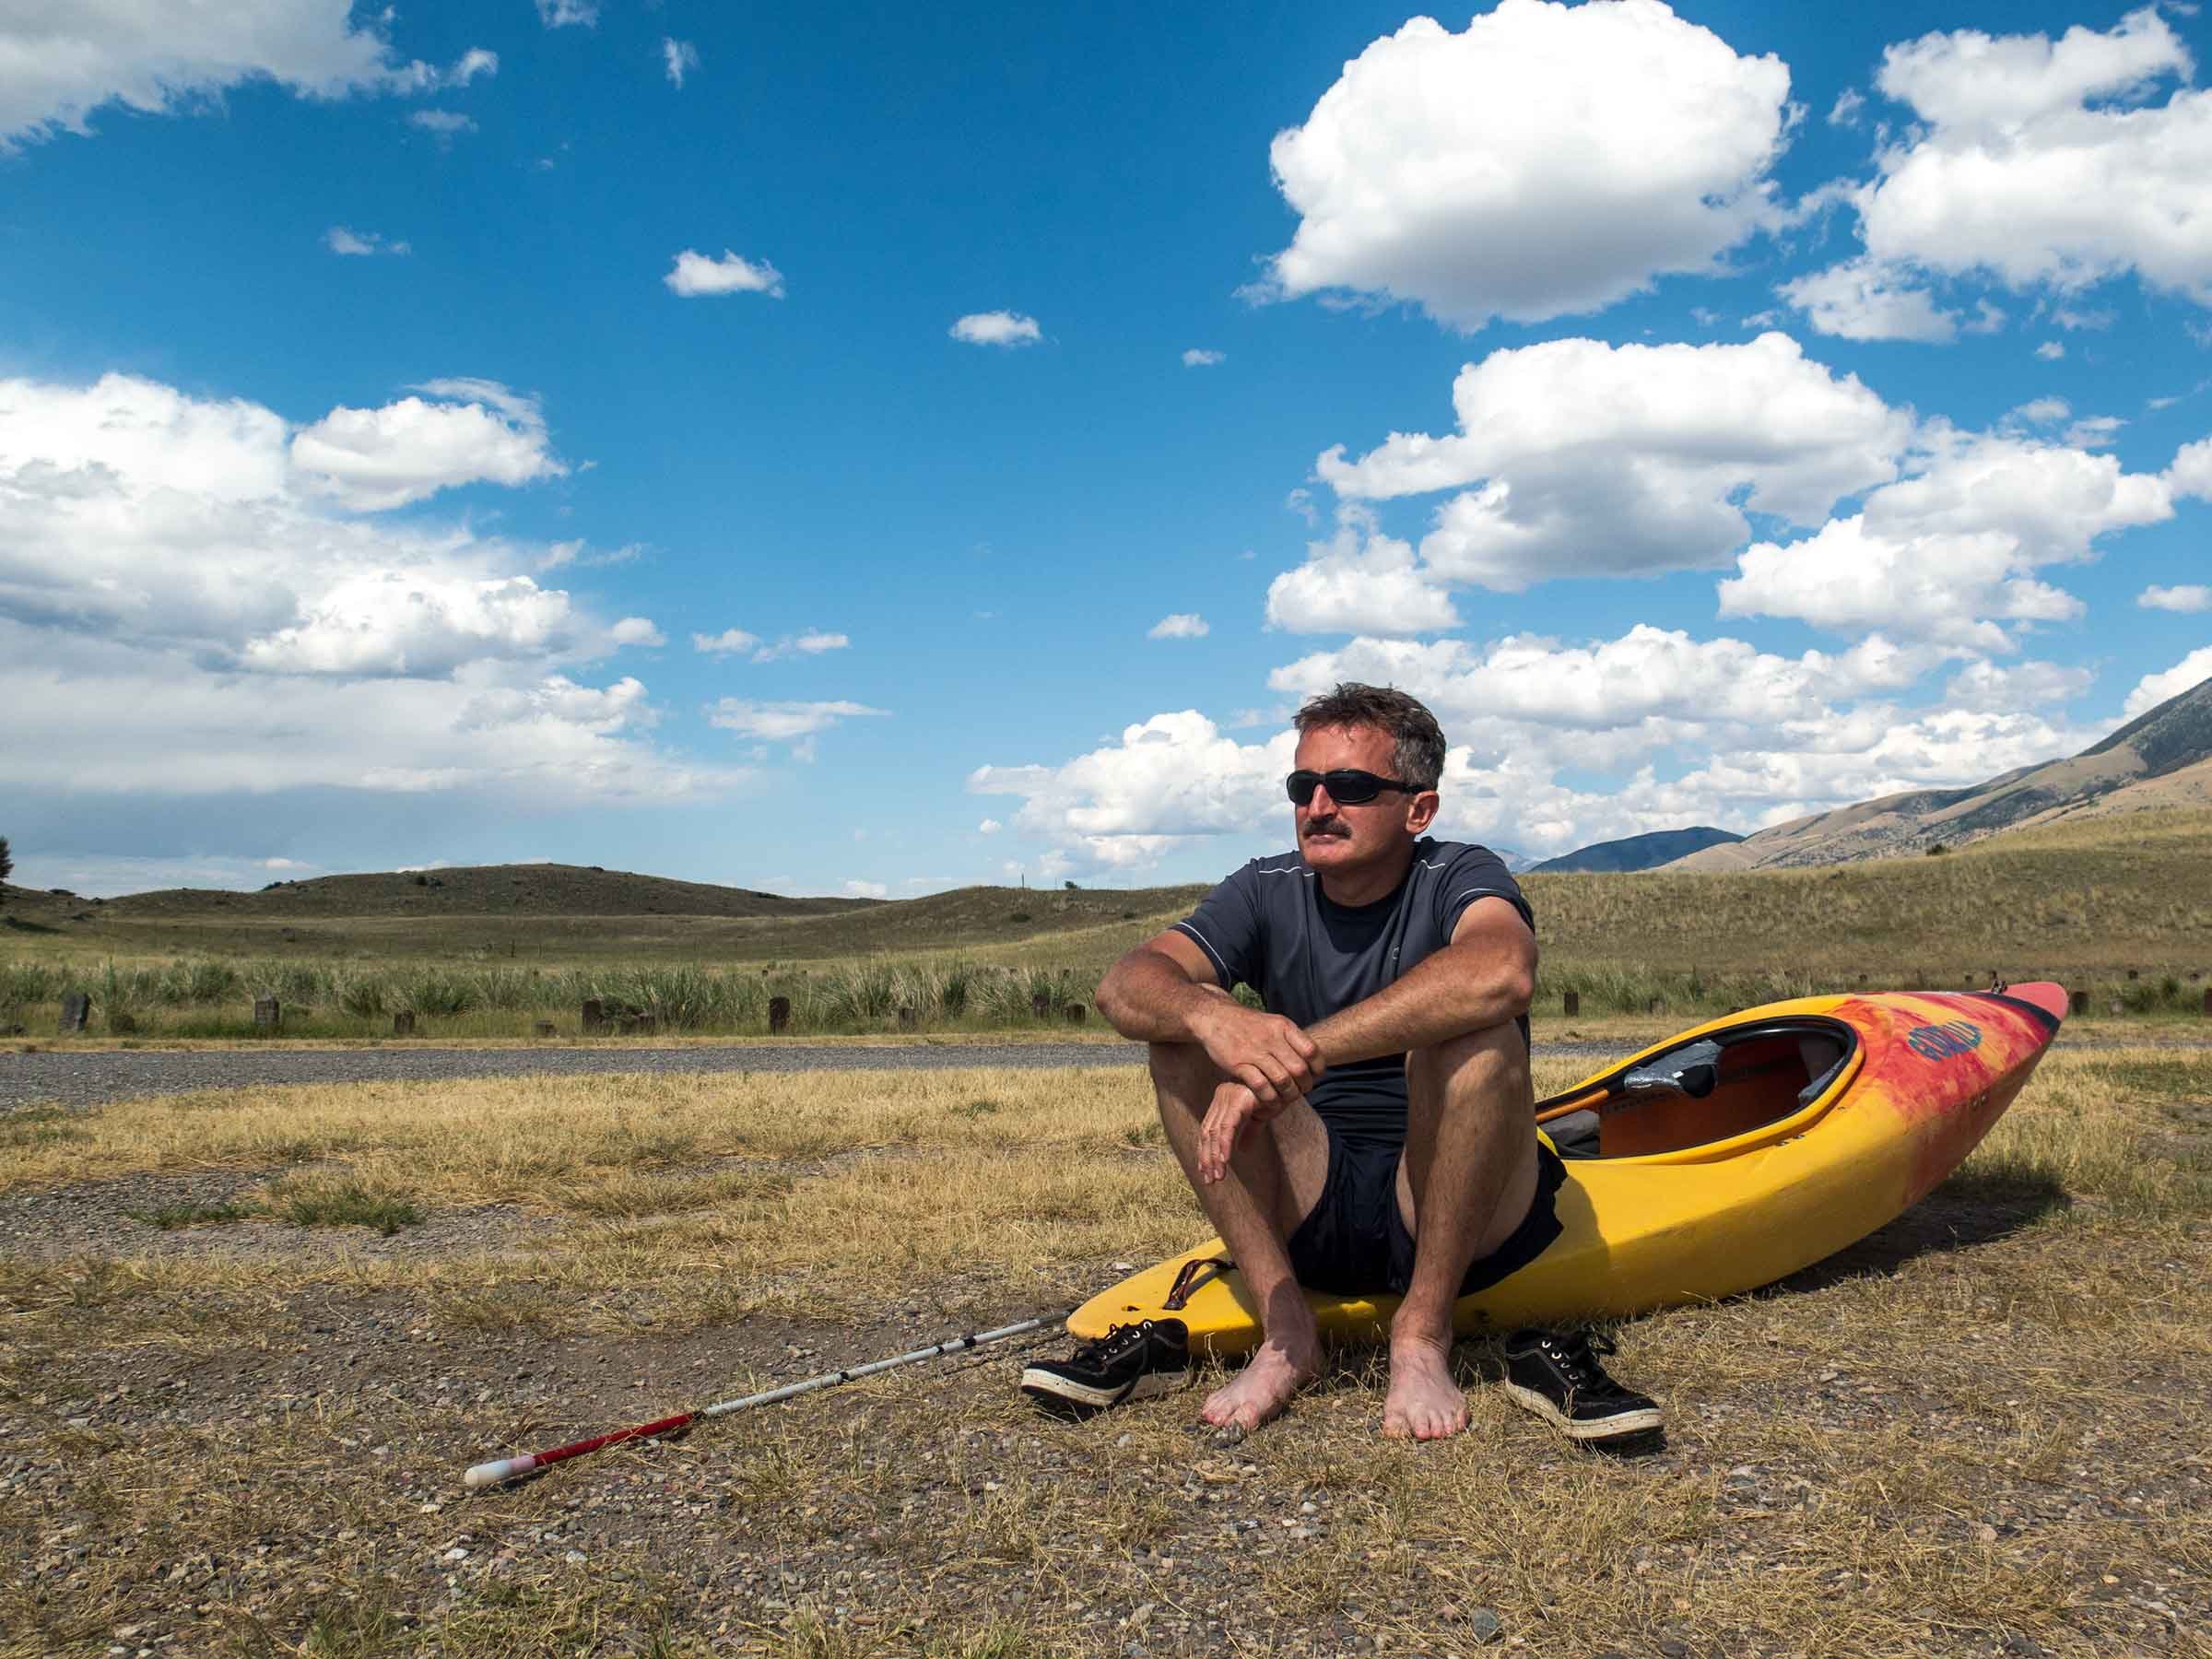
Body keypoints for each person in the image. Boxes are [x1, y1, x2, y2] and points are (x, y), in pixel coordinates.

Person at [1086, 682, 1658, 1442]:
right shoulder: (1265, 886)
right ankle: (1287, 1334)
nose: (1318, 805)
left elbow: (1501, 973)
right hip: (1314, 1189)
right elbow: (1124, 985)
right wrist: (1213, 1017)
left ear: (1418, 809)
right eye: (1303, 785)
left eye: (1350, 787)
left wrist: (1295, 1052)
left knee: (1477, 1035)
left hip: (1452, 1203)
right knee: (1176, 1037)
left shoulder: (1459, 873)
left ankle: (1422, 1335)